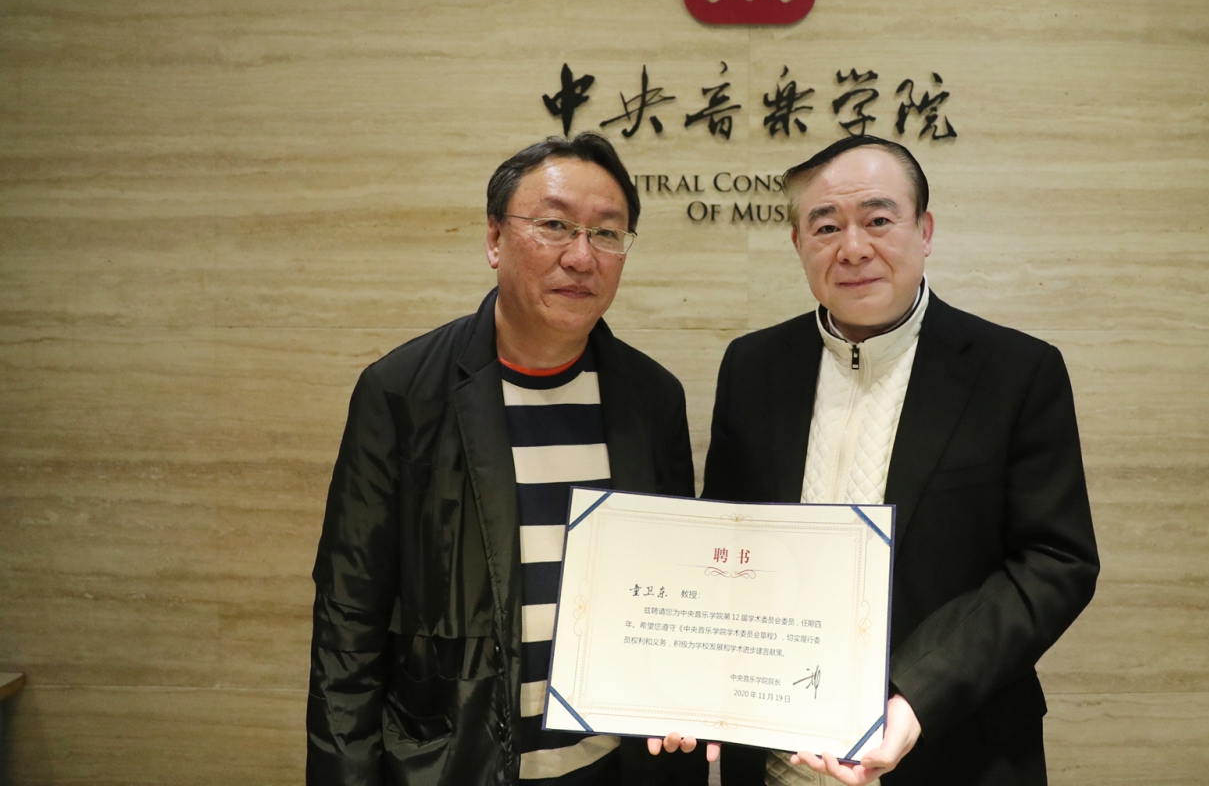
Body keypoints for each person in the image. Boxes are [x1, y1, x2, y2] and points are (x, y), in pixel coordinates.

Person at [307, 133, 706, 786]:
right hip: (452, 764)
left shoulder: (653, 398)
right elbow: (348, 623)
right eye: (554, 226)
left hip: (612, 767)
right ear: (495, 239)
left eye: (607, 234)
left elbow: (676, 602)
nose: (581, 256)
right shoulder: (402, 392)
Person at [701, 136, 1099, 786]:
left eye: (879, 220)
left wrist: (916, 694)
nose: (854, 248)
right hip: (775, 761)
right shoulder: (752, 367)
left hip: (953, 748)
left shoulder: (1016, 372)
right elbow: (724, 540)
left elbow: (1055, 563)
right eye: (826, 227)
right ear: (798, 244)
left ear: (925, 230)